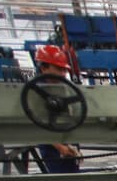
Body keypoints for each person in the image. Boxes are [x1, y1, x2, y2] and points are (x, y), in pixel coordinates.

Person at [33, 45, 81, 173]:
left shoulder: (64, 88)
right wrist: (60, 147)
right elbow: (37, 125)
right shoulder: (35, 92)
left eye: (64, 70)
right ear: (43, 68)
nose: (63, 74)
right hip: (52, 145)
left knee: (73, 177)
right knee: (63, 180)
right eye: (59, 69)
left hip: (67, 136)